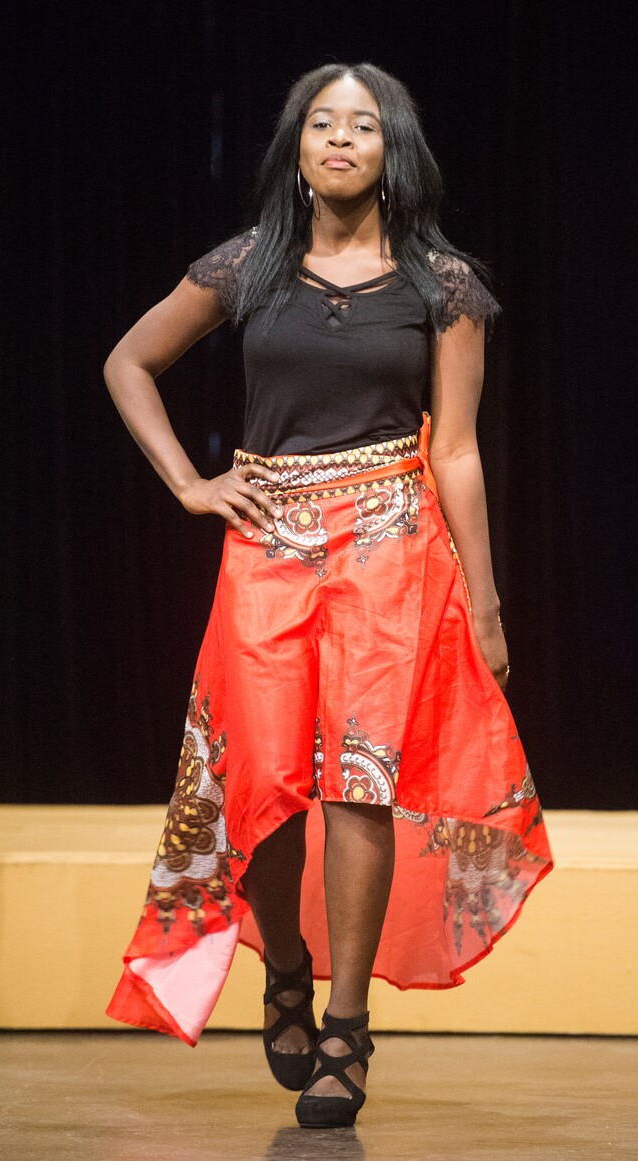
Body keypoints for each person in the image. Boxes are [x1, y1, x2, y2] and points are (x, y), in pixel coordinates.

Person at [104, 62, 554, 1129]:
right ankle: (288, 967)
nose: (340, 138)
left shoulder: (442, 285)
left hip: (393, 553)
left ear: (394, 149)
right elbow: (130, 361)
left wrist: (482, 604)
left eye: (362, 124)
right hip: (268, 546)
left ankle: (347, 1028)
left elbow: (456, 451)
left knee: (358, 782)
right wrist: (191, 484)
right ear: (297, 149)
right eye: (321, 123)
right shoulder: (248, 265)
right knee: (259, 786)